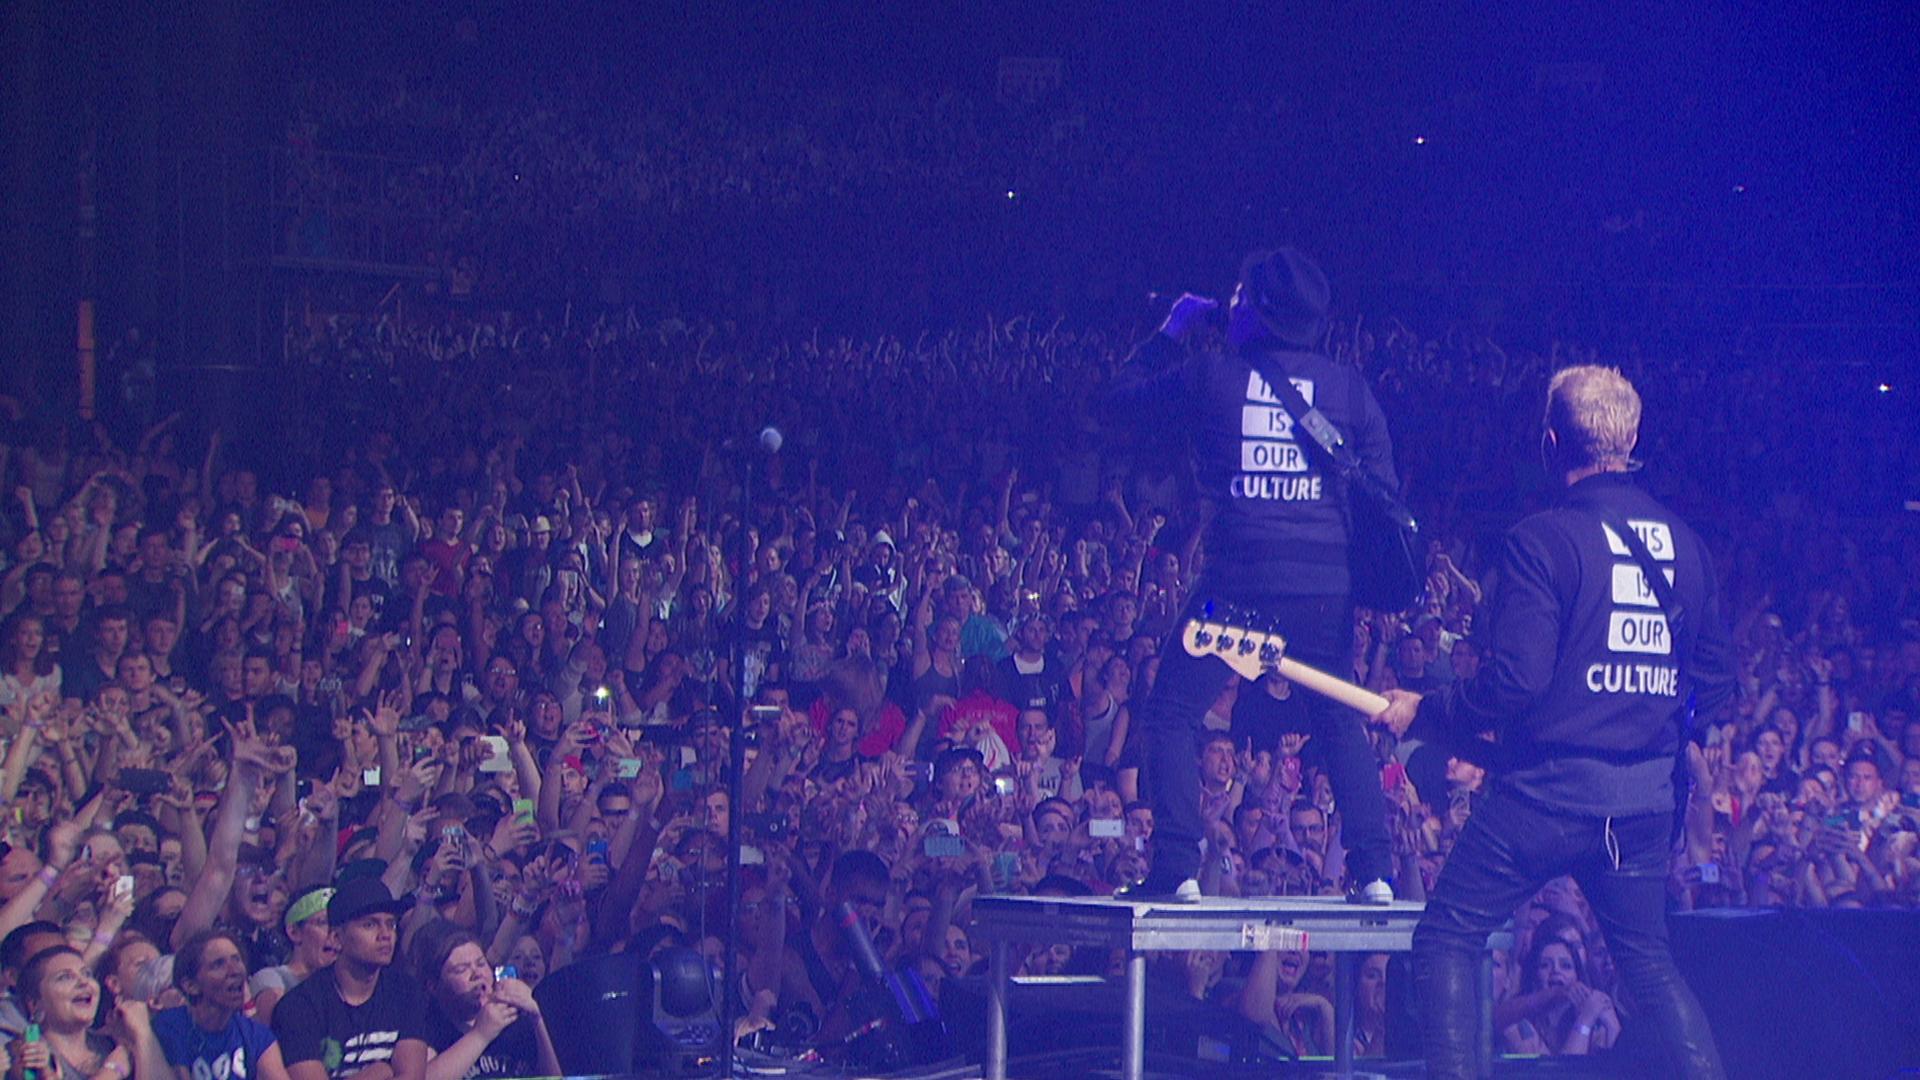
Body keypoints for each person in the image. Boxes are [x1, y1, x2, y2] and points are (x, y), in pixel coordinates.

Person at [1375, 365, 1729, 1078]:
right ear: (1631, 438)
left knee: (1447, 937)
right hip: (1640, 806)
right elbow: (1717, 684)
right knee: (1650, 965)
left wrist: (1429, 709)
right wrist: (1653, 730)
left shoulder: (1542, 540)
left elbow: (1514, 685)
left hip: (1546, 794)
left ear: (1549, 442)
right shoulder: (1686, 545)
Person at [1108, 248, 1396, 903]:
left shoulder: (1212, 377)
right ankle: (1375, 873)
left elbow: (1118, 405)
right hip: (1323, 586)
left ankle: (1177, 866)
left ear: (1254, 311)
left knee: (1174, 711)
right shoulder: (1350, 390)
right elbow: (1382, 488)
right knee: (1335, 719)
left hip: (1239, 583)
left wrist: (1174, 330)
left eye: (1239, 295)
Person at [269, 879, 428, 1080]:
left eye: (391, 924)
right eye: (370, 925)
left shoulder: (406, 991)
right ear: (336, 937)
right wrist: (379, 1073)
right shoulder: (299, 1007)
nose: (385, 935)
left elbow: (412, 1076)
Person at [409, 923, 558, 1080]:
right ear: (433, 985)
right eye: (461, 969)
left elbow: (555, 1077)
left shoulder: (516, 1019)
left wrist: (537, 1019)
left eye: (481, 963)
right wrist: (481, 1035)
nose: (477, 974)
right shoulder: (426, 1029)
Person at [152, 929, 291, 1080]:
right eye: (218, 964)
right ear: (191, 986)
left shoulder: (256, 1035)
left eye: (237, 960)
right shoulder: (170, 1026)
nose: (234, 970)